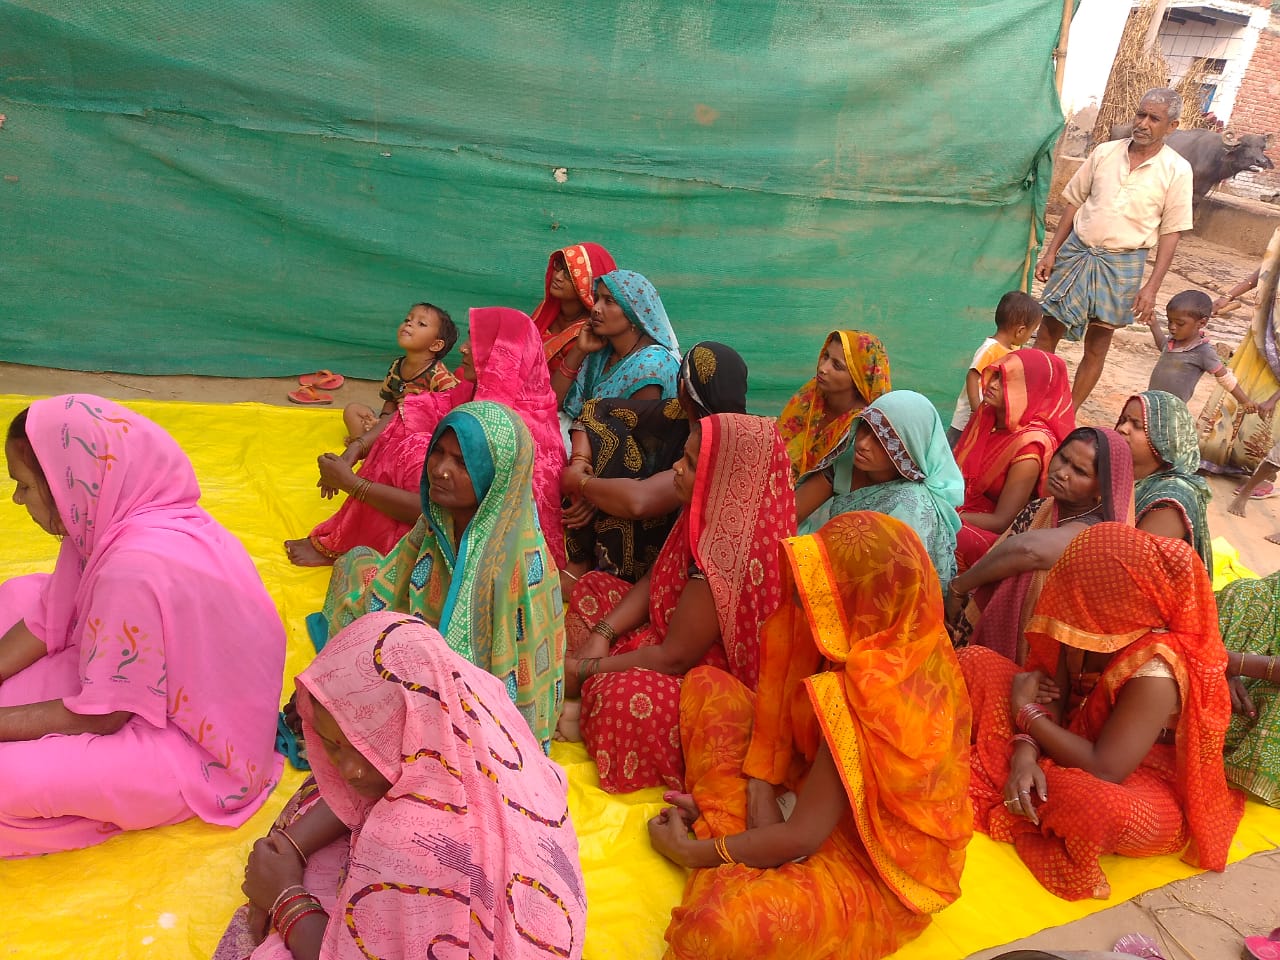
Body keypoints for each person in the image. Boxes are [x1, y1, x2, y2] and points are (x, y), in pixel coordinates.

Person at [647, 512, 972, 960]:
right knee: (708, 685)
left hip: (869, 865)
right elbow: (776, 726)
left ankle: (728, 828)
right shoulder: (874, 636)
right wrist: (761, 786)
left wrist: (688, 851)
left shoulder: (868, 695)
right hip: (804, 792)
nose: (803, 589)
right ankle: (736, 828)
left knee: (716, 930)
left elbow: (801, 838)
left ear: (865, 601)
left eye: (827, 584)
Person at [0, 396, 284, 857]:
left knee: (9, 779)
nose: (17, 499)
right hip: (168, 687)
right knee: (16, 595)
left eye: (25, 485)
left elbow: (102, 717)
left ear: (63, 483)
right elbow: (49, 613)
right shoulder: (110, 510)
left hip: (199, 746)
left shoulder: (132, 570)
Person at [215, 612, 585, 960]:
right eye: (332, 745)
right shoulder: (470, 705)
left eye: (362, 746)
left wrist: (284, 896)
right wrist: (292, 846)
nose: (350, 769)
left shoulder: (406, 838)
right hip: (535, 913)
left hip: (460, 909)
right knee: (325, 790)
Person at [959, 523, 1243, 901]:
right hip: (1064, 735)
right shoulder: (1085, 623)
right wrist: (1025, 754)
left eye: (1083, 591)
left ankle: (1015, 773)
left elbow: (1106, 768)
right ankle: (1023, 777)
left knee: (1097, 807)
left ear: (1121, 600)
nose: (1070, 596)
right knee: (974, 662)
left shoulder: (1156, 669)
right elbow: (1051, 695)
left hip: (1135, 777)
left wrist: (1026, 715)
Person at [560, 414, 795, 793]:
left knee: (622, 700)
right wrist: (603, 633)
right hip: (665, 630)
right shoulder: (709, 510)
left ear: (725, 475)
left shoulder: (728, 551)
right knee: (593, 588)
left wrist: (586, 668)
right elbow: (655, 579)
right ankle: (582, 692)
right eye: (683, 457)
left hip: (704, 679)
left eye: (689, 462)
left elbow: (674, 659)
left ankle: (583, 699)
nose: (676, 468)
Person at [316, 401, 565, 752]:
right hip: (421, 655)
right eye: (439, 453)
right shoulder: (438, 520)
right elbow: (393, 586)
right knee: (355, 564)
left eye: (462, 463)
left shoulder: (512, 565)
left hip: (473, 709)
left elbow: (512, 682)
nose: (441, 470)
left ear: (496, 475)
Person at [286, 306, 566, 568]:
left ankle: (387, 548)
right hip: (453, 514)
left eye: (475, 342)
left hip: (489, 551)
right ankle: (368, 539)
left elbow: (454, 513)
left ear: (502, 356)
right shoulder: (475, 392)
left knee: (419, 452)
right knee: (404, 429)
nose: (464, 349)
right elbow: (412, 409)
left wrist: (351, 483)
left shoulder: (517, 430)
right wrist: (356, 450)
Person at [1035, 88, 1194, 409]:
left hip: (1123, 265)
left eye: (1154, 119)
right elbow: (1073, 203)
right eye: (1140, 114)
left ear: (1172, 126)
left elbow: (1171, 233)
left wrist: (1151, 287)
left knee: (1097, 343)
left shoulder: (1177, 170)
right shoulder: (1105, 153)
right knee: (1047, 331)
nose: (1143, 123)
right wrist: (1051, 252)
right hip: (1077, 253)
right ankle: (1031, 402)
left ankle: (1067, 415)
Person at [559, 341, 749, 583]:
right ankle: (580, 564)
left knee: (618, 477)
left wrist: (583, 484)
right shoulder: (678, 414)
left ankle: (604, 572)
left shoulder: (725, 445)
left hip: (699, 565)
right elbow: (597, 409)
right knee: (611, 432)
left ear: (682, 386)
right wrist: (580, 462)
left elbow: (640, 502)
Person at [947, 427, 1134, 662]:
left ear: (1101, 489)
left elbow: (1029, 551)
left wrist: (959, 587)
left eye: (1079, 471)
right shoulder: (1043, 507)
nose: (1062, 473)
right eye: (1063, 458)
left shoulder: (1097, 532)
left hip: (1045, 661)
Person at [797, 390, 963, 588]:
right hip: (834, 572)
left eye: (882, 439)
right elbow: (791, 514)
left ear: (908, 450)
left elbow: (894, 584)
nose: (862, 444)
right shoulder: (849, 461)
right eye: (864, 427)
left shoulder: (912, 507)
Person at [953, 350, 1076, 570]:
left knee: (935, 529)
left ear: (1030, 390)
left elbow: (1002, 521)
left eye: (1006, 381)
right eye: (996, 375)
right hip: (964, 508)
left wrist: (949, 515)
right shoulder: (988, 415)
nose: (993, 384)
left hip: (995, 535)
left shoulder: (1030, 444)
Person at [1201, 227, 1280, 478]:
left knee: (1270, 401)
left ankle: (1263, 471)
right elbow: (1268, 269)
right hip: (1265, 327)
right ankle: (1216, 452)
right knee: (1240, 383)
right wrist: (1228, 295)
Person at [552, 269, 681, 421]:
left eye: (609, 301)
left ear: (634, 313)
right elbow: (551, 403)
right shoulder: (603, 352)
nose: (595, 308)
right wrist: (579, 350)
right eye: (597, 299)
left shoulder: (651, 367)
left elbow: (637, 431)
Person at [1115, 390, 1213, 571]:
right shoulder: (1118, 468)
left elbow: (1130, 565)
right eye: (1123, 420)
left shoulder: (1172, 499)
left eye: (1137, 425)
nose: (1123, 428)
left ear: (1166, 439)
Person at [780, 329, 892, 486]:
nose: (823, 368)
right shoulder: (812, 394)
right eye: (825, 356)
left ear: (858, 378)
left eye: (837, 366)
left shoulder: (863, 427)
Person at [339, 302, 460, 444]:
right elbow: (390, 399)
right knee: (352, 410)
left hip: (420, 430)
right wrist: (382, 421)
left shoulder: (440, 377)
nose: (409, 324)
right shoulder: (396, 366)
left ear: (436, 345)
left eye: (421, 323)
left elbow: (452, 412)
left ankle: (371, 445)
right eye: (408, 319)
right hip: (392, 421)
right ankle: (364, 445)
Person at [1218, 572, 1280, 806]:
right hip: (1227, 671)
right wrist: (1219, 665)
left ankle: (1198, 732)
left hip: (1261, 705)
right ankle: (1197, 702)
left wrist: (1233, 662)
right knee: (1247, 592)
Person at [948, 292, 1042, 445]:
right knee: (955, 449)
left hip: (985, 419)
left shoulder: (1012, 352)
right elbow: (972, 376)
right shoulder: (990, 349)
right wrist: (975, 409)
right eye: (1032, 332)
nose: (1030, 336)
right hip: (966, 420)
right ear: (1020, 330)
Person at [1146, 289, 1255, 407]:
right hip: (1151, 401)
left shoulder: (1203, 351)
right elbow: (1163, 347)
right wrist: (1154, 325)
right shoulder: (1173, 339)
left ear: (1202, 323)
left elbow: (1225, 378)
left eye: (1180, 323)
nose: (1172, 327)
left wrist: (1245, 401)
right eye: (1170, 321)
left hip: (1172, 408)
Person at [530, 242, 618, 377]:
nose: (558, 277)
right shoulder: (547, 310)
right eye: (558, 266)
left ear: (590, 283)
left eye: (569, 274)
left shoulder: (591, 331)